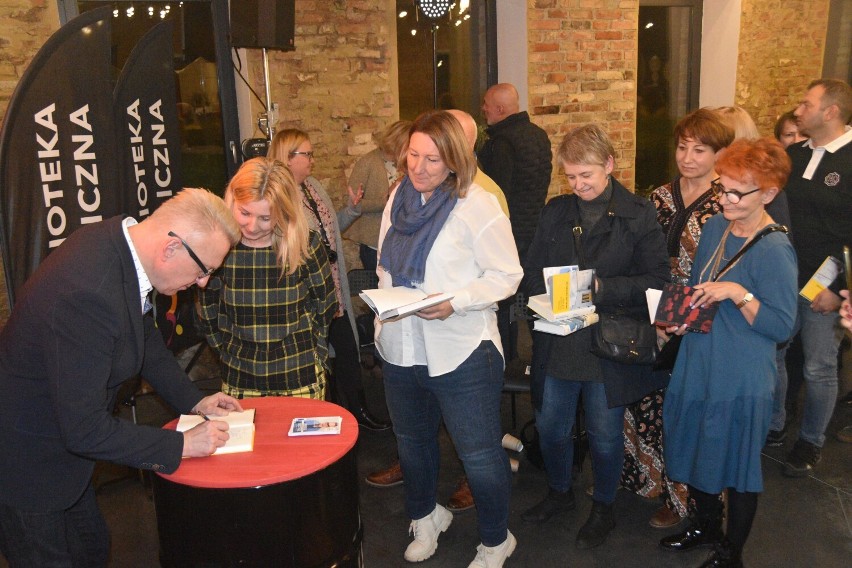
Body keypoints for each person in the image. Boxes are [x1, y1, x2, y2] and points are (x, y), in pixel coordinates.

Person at [0, 188, 245, 565]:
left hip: (64, 458)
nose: (203, 283)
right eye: (204, 270)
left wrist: (194, 400)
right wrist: (180, 447)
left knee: (93, 547)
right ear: (170, 249)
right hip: (30, 468)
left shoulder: (120, 245)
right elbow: (84, 429)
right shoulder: (89, 294)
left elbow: (142, 336)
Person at [376, 110, 522, 567]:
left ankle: (497, 540)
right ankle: (426, 516)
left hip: (462, 349)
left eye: (432, 160)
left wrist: (456, 299)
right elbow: (385, 264)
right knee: (412, 442)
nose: (418, 168)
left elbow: (508, 275)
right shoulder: (398, 195)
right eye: (413, 155)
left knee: (478, 455)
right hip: (402, 344)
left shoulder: (477, 204)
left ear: (455, 162)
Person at [522, 124, 669, 550]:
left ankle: (604, 505)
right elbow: (532, 267)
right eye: (570, 177)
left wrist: (604, 288)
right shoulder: (556, 211)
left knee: (606, 436)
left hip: (609, 342)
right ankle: (559, 491)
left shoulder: (638, 213)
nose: (579, 185)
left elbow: (656, 281)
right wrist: (543, 298)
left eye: (586, 175)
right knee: (551, 427)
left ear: (609, 164)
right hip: (559, 339)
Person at [661, 137, 798, 567]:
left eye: (739, 191)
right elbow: (700, 286)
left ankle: (731, 552)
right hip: (699, 357)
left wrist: (739, 293)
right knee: (698, 446)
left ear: (770, 194)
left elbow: (781, 326)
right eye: (723, 187)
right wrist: (680, 316)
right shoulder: (718, 226)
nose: (726, 199)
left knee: (737, 468)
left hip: (739, 373)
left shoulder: (776, 248)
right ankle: (705, 524)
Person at [622, 108, 733, 531]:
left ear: (720, 154)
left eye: (699, 150)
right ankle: (647, 479)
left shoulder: (728, 200)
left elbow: (725, 270)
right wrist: (653, 315)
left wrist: (674, 317)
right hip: (653, 307)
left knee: (688, 410)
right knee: (646, 399)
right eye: (683, 147)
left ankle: (684, 496)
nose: (688, 157)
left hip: (704, 316)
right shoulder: (658, 197)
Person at [269, 129, 390, 430]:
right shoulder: (278, 199)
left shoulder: (313, 186)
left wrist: (352, 209)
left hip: (333, 289)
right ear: (286, 158)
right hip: (307, 297)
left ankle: (358, 412)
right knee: (317, 361)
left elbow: (331, 228)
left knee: (348, 350)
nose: (312, 160)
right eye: (306, 154)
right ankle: (326, 420)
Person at [196, 157, 337, 400]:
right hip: (240, 378)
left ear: (284, 213)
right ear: (232, 201)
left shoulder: (305, 244)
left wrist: (314, 352)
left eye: (265, 218)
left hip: (299, 376)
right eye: (244, 212)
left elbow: (325, 305)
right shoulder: (220, 246)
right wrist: (229, 354)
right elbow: (208, 311)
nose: (251, 226)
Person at [781, 78, 852, 476]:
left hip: (824, 286)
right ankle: (775, 424)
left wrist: (838, 289)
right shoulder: (794, 153)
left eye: (806, 105)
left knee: (818, 367)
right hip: (784, 277)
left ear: (831, 112)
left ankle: (810, 442)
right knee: (774, 354)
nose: (797, 111)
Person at [478, 82, 552, 361]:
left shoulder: (502, 143)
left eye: (486, 103)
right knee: (534, 300)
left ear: (499, 109)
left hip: (509, 235)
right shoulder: (538, 135)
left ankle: (506, 363)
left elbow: (498, 194)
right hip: (535, 230)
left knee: (505, 302)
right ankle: (542, 360)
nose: (483, 108)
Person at [344, 120, 412, 271]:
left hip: (398, 241)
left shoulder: (405, 164)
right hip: (373, 242)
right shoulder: (367, 163)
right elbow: (353, 205)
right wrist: (387, 199)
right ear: (398, 142)